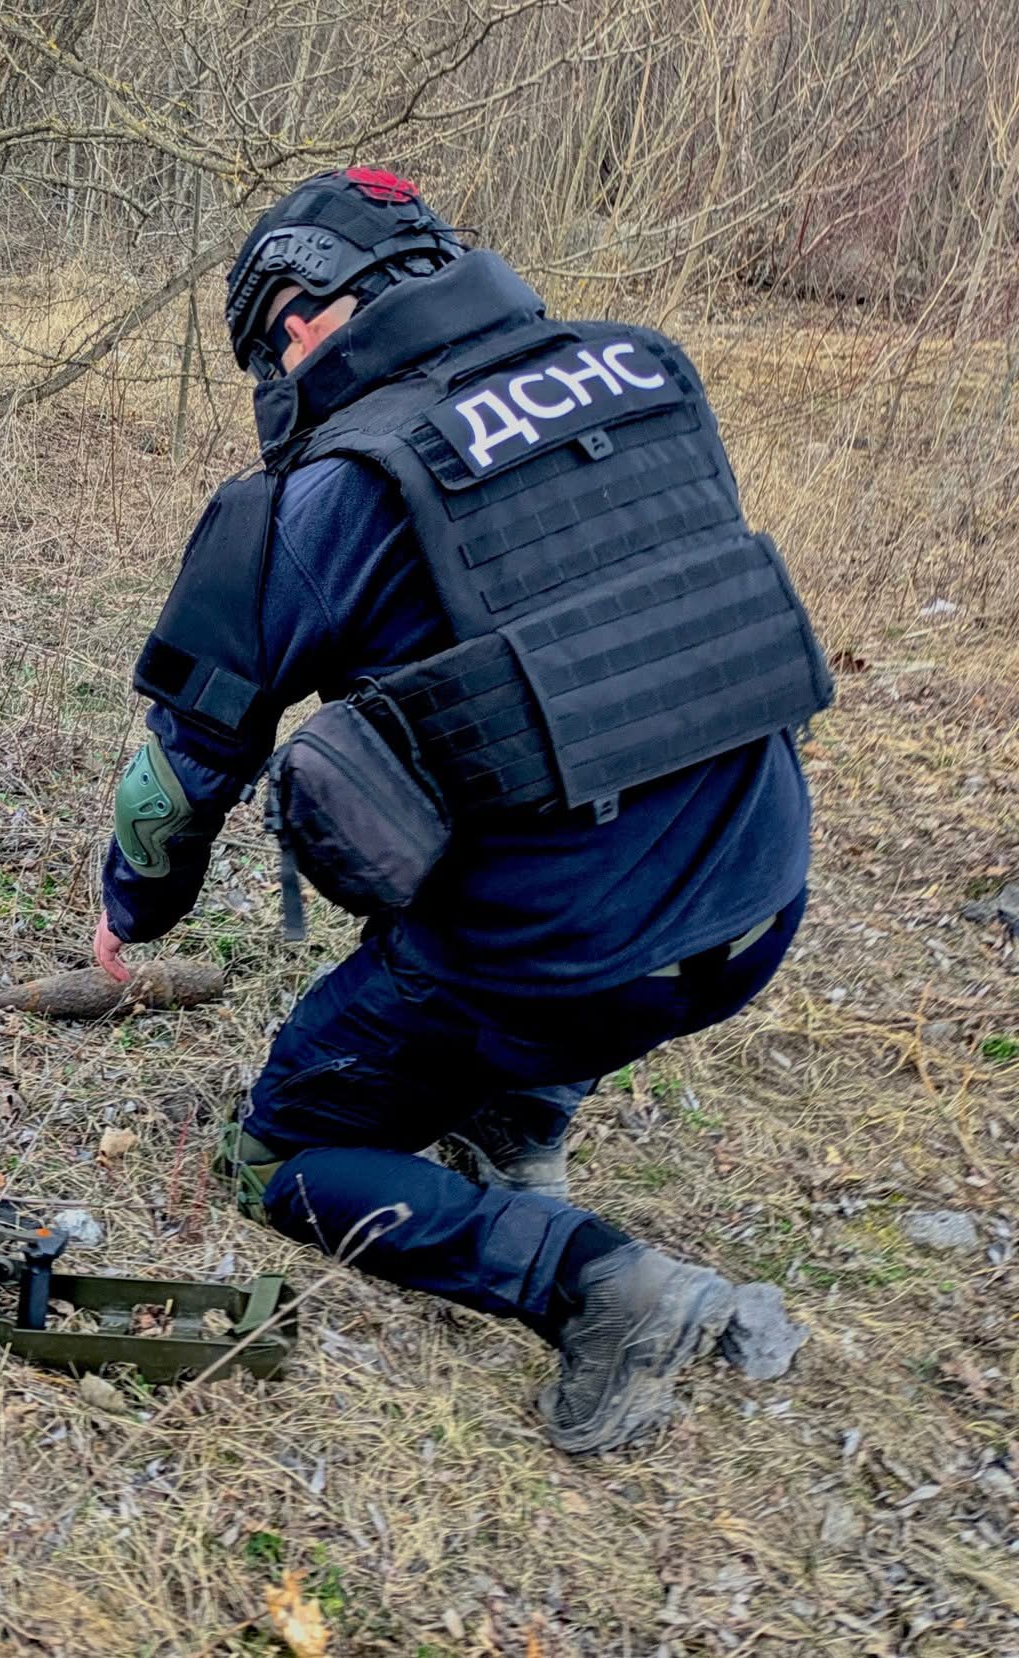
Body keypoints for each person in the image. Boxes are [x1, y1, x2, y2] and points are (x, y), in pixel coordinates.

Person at [93, 167, 831, 1454]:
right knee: (572, 828)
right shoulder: (645, 371)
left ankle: (598, 1284)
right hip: (757, 906)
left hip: (555, 960)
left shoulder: (307, 503)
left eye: (269, 340)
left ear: (301, 319)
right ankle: (524, 1113)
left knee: (281, 1155)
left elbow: (177, 777)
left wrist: (128, 912)